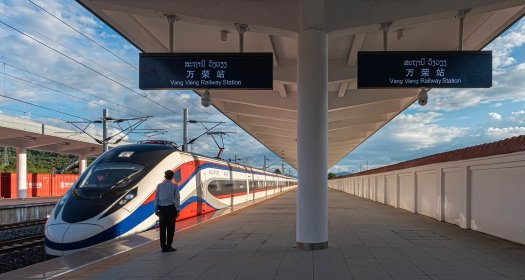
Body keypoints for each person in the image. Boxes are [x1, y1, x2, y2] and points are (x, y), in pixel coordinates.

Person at [154, 170, 180, 252]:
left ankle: (163, 247)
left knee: (162, 229)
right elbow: (177, 199)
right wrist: (177, 210)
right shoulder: (175, 186)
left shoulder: (159, 186)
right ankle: (169, 246)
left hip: (161, 209)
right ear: (172, 177)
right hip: (171, 209)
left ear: (165, 177)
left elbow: (156, 199)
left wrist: (156, 210)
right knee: (170, 228)